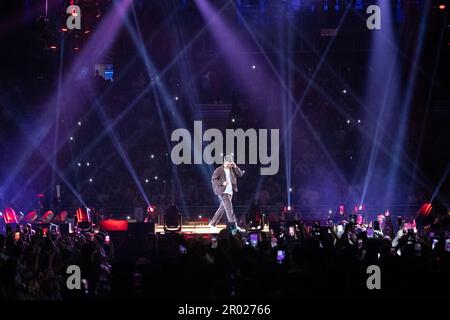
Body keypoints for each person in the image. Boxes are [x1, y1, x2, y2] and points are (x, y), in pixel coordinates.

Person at [209, 155, 243, 233]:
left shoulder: (232, 168)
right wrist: (222, 183)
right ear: (224, 162)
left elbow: (240, 174)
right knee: (229, 210)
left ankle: (212, 223)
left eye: (230, 164)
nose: (229, 165)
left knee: (222, 208)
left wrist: (235, 166)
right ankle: (233, 228)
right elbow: (213, 179)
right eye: (228, 164)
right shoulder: (219, 170)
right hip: (222, 192)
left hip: (230, 192)